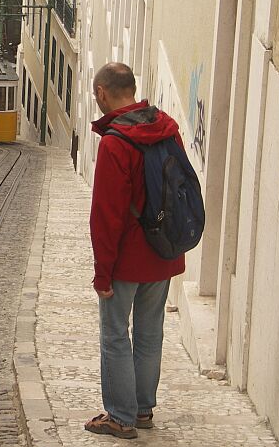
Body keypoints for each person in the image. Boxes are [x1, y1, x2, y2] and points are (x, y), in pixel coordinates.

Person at [84, 62, 186, 440]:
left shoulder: (115, 143)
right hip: (163, 252)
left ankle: (120, 417)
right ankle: (142, 410)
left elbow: (107, 216)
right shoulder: (166, 128)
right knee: (149, 333)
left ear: (101, 93)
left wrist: (102, 272)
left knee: (115, 334)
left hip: (127, 258)